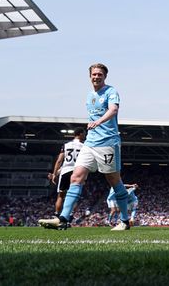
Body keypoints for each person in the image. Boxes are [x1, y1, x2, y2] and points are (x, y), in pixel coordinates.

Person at [39, 63, 134, 231]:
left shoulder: (111, 92)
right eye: (94, 74)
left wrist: (99, 121)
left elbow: (113, 110)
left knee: (114, 181)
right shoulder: (90, 95)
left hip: (108, 143)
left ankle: (125, 221)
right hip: (90, 143)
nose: (96, 77)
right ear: (90, 76)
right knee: (76, 177)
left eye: (100, 74)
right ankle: (63, 218)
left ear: (105, 77)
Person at [49, 129, 86, 216]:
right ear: (80, 134)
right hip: (78, 172)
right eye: (84, 134)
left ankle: (57, 215)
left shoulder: (66, 145)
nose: (85, 136)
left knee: (61, 196)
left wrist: (54, 174)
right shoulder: (84, 146)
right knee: (74, 196)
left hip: (65, 170)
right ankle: (69, 216)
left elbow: (59, 161)